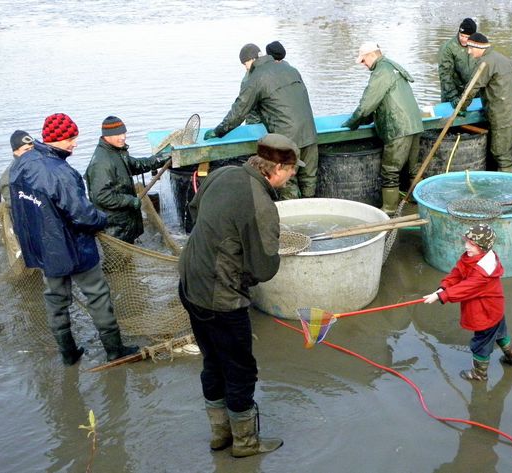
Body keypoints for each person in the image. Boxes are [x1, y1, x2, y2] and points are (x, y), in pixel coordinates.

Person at [178, 133, 303, 457]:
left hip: (190, 282)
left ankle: (220, 435)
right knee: (240, 368)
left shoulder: (223, 173)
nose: (293, 176)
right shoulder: (263, 205)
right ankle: (245, 442)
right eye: (291, 170)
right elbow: (264, 269)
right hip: (221, 298)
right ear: (275, 168)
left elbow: (194, 210)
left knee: (213, 361)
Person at [9, 113, 139, 366]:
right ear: (55, 139)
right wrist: (101, 219)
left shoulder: (20, 165)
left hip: (44, 250)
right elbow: (83, 215)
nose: (75, 144)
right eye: (70, 139)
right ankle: (115, 350)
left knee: (55, 299)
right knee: (98, 295)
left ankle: (68, 353)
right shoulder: (60, 172)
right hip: (74, 247)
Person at [203, 43, 318, 200]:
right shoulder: (290, 69)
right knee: (309, 182)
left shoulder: (255, 78)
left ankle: (293, 222)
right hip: (310, 133)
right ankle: (311, 217)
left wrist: (219, 131)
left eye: (245, 64)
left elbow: (239, 112)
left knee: (287, 184)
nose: (246, 68)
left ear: (250, 61)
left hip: (286, 139)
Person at [422, 223, 512, 381]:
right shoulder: (471, 257)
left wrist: (441, 296)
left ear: (482, 248)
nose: (466, 245)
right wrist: (443, 288)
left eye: (471, 244)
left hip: (485, 313)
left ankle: (480, 374)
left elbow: (466, 287)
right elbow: (457, 273)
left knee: (481, 343)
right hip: (495, 309)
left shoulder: (483, 272)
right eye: (466, 241)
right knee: (500, 333)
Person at [341, 42, 424, 215]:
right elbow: (384, 101)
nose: (364, 65)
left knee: (390, 170)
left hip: (398, 127)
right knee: (413, 167)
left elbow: (366, 105)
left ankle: (389, 208)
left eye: (364, 61)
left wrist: (352, 123)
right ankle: (419, 202)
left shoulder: (381, 72)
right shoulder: (392, 66)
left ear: (372, 55)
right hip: (415, 124)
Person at [85, 116, 170, 243]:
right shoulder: (101, 163)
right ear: (106, 136)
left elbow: (136, 165)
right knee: (118, 259)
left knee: (128, 256)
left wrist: (159, 159)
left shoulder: (116, 151)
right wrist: (130, 200)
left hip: (124, 223)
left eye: (124, 132)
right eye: (117, 134)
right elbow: (102, 196)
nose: (123, 137)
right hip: (114, 227)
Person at [460, 33, 512, 173]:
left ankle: (504, 190)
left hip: (502, 117)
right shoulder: (502, 58)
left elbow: (471, 89)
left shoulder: (485, 63)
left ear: (479, 47)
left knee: (501, 155)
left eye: (470, 48)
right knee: (505, 153)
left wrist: (461, 108)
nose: (469, 52)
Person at [438, 17, 479, 104]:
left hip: (472, 93)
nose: (463, 39)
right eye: (461, 35)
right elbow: (445, 75)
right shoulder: (448, 48)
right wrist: (453, 98)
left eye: (467, 37)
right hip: (453, 93)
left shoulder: (478, 45)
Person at [0, 130, 34, 207]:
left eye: (32, 148)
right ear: (15, 152)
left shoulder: (36, 166)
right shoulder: (8, 177)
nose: (31, 152)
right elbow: (15, 207)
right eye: (26, 150)